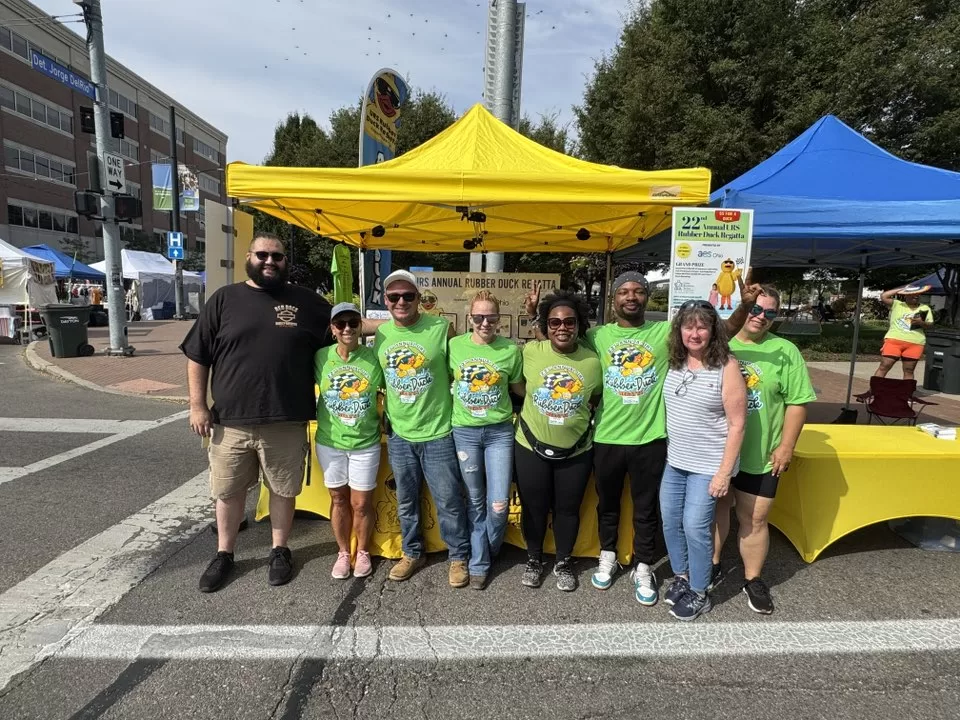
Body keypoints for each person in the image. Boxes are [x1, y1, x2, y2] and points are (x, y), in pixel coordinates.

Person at [525, 272, 758, 606]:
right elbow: (559, 341)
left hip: (650, 438)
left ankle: (644, 565)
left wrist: (744, 307)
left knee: (646, 509)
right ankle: (607, 555)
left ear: (647, 296)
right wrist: (536, 317)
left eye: (637, 291)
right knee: (608, 504)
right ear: (613, 299)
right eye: (623, 291)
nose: (630, 297)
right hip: (607, 437)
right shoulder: (598, 335)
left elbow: (719, 332)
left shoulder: (663, 332)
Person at [181, 232, 333, 593]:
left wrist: (397, 322)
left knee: (283, 489)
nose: (270, 261)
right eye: (262, 255)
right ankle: (224, 554)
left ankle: (280, 550)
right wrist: (197, 405)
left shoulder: (308, 302)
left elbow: (347, 327)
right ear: (249, 257)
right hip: (231, 420)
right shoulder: (224, 299)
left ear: (285, 262)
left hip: (286, 418)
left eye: (277, 256)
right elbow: (197, 355)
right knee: (228, 492)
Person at [712, 286, 816, 614]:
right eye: (756, 309)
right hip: (719, 450)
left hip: (760, 453)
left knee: (755, 518)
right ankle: (712, 565)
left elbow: (798, 402)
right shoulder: (720, 345)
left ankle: (753, 578)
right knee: (716, 510)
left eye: (770, 313)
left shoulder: (785, 350)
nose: (761, 317)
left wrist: (786, 446)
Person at [374, 269, 472, 588]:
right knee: (406, 500)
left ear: (419, 298)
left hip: (439, 432)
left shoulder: (441, 328)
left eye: (408, 295)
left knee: (449, 501)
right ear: (386, 301)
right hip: (400, 434)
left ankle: (458, 555)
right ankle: (412, 552)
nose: (401, 301)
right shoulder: (382, 335)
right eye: (394, 296)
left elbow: (463, 370)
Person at [661, 300, 746, 621]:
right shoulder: (675, 362)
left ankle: (700, 592)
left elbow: (737, 424)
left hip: (708, 466)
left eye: (702, 327)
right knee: (670, 522)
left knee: (695, 528)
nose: (694, 333)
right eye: (688, 326)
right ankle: (682, 577)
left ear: (713, 331)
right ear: (679, 330)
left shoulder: (727, 366)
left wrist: (724, 474)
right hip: (675, 461)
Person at [515, 289, 602, 592]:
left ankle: (563, 561)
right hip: (530, 446)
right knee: (534, 507)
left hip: (577, 450)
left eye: (569, 322)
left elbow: (597, 396)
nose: (562, 327)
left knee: (568, 509)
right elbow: (517, 386)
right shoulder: (531, 352)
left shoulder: (593, 361)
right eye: (554, 322)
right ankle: (534, 559)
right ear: (546, 326)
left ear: (579, 325)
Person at [448, 290, 524, 590]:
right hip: (464, 432)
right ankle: (479, 562)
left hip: (499, 433)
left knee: (499, 504)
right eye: (479, 317)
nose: (485, 323)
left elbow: (519, 389)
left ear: (499, 319)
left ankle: (486, 550)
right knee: (475, 500)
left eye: (491, 318)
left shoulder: (510, 350)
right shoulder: (454, 346)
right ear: (470, 318)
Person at [315, 302, 385, 580]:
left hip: (365, 443)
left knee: (361, 503)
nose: (347, 329)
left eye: (353, 323)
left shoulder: (373, 358)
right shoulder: (320, 357)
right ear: (332, 329)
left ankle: (363, 551)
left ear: (361, 327)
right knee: (338, 499)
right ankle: (343, 552)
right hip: (330, 441)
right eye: (340, 324)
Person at [875, 286, 934, 381]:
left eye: (918, 294)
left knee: (909, 370)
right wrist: (904, 288)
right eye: (913, 294)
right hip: (894, 341)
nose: (916, 296)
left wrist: (921, 323)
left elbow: (930, 326)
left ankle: (907, 390)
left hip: (915, 343)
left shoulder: (924, 308)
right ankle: (874, 389)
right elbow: (884, 296)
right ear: (906, 295)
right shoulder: (897, 304)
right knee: (884, 366)